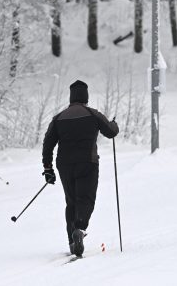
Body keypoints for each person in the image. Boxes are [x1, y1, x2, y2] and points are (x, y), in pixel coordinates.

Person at [42, 80, 119, 257]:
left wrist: (48, 168)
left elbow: (48, 144)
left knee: (71, 201)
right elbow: (111, 132)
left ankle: (71, 240)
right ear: (86, 97)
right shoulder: (93, 114)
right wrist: (114, 124)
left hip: (64, 165)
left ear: (71, 97)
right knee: (86, 199)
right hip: (87, 163)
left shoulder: (59, 118)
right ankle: (80, 228)